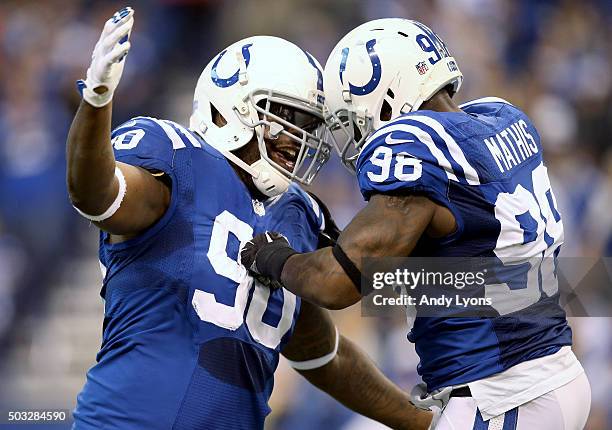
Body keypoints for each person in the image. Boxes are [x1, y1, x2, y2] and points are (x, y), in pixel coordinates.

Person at [66, 9, 431, 430]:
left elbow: (324, 354)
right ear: (228, 111)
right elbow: (96, 195)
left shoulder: (299, 216)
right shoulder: (179, 161)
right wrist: (95, 103)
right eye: (288, 120)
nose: (300, 141)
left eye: (311, 128)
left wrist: (423, 423)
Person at [241, 18, 591, 429]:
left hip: (503, 394)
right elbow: (482, 282)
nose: (356, 136)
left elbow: (334, 285)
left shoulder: (417, 145)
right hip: (551, 373)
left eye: (351, 120)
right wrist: (341, 243)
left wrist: (273, 257)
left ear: (386, 100)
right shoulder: (499, 118)